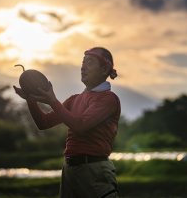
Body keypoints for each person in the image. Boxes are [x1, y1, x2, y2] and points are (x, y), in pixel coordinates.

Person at [13, 47, 121, 198]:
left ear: (104, 70)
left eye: (89, 62)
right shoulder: (74, 99)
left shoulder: (108, 99)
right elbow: (43, 123)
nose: (83, 67)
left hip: (94, 170)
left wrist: (52, 101)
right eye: (83, 62)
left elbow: (80, 126)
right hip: (70, 169)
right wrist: (31, 100)